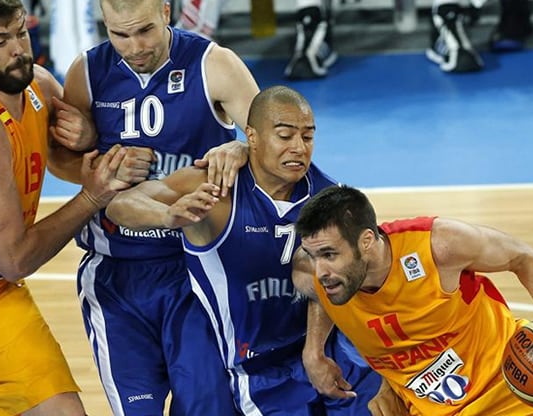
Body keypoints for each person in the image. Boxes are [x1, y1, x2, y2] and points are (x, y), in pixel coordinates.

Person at [106, 86, 382, 415]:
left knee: (384, 401)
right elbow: (121, 205)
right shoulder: (215, 188)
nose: (298, 148)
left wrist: (313, 350)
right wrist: (167, 216)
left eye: (308, 137)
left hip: (321, 347)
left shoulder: (328, 196)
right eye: (284, 136)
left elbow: (334, 282)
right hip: (254, 367)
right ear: (252, 135)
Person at [46, 0, 261, 413]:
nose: (134, 46)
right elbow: (60, 159)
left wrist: (240, 147)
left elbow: (276, 139)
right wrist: (104, 169)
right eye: (119, 34)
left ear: (165, 11)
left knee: (207, 408)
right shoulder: (87, 72)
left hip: (198, 270)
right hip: (117, 274)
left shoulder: (214, 64)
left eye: (144, 30)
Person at [0, 0, 131, 414]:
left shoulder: (39, 86)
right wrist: (92, 198)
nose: (18, 50)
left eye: (20, 33)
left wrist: (87, 132)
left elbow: (73, 150)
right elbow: (15, 259)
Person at [292, 185, 533, 415]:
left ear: (367, 241)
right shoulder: (311, 272)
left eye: (330, 255)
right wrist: (313, 350)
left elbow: (523, 257)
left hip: (513, 382)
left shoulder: (438, 246)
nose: (321, 271)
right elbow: (319, 296)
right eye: (313, 254)